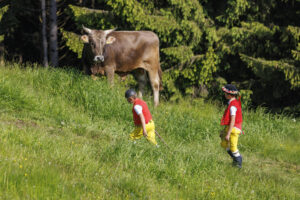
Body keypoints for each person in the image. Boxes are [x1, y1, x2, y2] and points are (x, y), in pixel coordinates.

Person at [220, 84, 243, 168]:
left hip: (234, 129)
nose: (224, 94)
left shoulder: (233, 106)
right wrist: (224, 131)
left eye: (225, 93)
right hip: (231, 128)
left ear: (229, 95)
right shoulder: (232, 103)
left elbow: (233, 120)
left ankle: (238, 163)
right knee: (224, 144)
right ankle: (235, 158)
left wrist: (228, 133)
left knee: (233, 147)